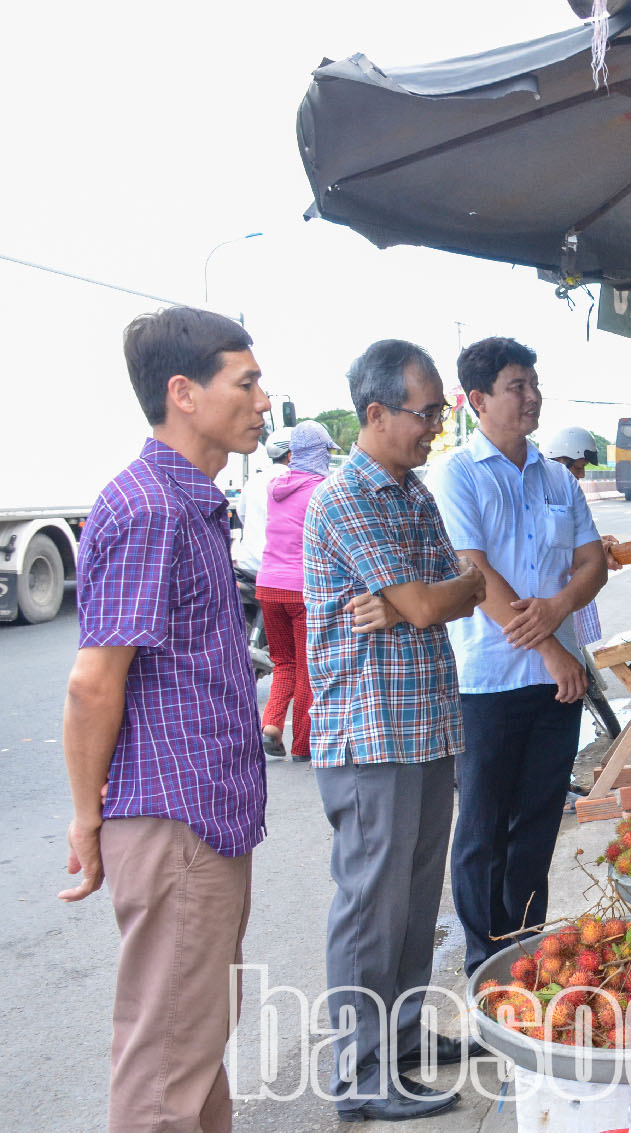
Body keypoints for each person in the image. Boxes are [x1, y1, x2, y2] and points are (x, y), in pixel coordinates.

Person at [59, 306, 270, 1133]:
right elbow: (91, 684)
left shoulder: (190, 503)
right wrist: (87, 819)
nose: (262, 400)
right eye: (246, 382)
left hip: (203, 816)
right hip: (174, 821)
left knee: (192, 1049)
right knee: (164, 1075)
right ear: (184, 393)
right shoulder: (150, 506)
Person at [303, 339, 486, 1122]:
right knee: (369, 909)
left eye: (439, 412)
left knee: (414, 903)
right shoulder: (345, 497)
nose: (435, 427)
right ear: (374, 414)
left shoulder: (410, 494)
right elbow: (425, 602)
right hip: (369, 737)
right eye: (426, 412)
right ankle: (359, 1071)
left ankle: (404, 1037)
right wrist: (427, 597)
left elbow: (466, 588)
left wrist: (435, 595)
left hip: (425, 725)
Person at [432, 340, 609, 979]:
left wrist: (559, 609)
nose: (532, 396)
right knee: (483, 828)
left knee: (536, 825)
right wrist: (555, 650)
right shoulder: (458, 473)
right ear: (477, 400)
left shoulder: (557, 475)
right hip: (489, 681)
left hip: (552, 686)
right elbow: (473, 572)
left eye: (534, 383)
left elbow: (592, 562)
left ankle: (526, 948)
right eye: (516, 386)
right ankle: (486, 963)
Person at [257, 420, 338, 761]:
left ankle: (272, 725)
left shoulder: (276, 486)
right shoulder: (323, 489)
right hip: (302, 590)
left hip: (267, 585)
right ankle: (303, 745)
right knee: (307, 667)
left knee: (284, 662)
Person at [540, 424, 624, 655]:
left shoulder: (566, 492)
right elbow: (549, 551)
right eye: (578, 467)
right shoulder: (536, 493)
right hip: (547, 610)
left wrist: (596, 544)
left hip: (568, 608)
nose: (582, 474)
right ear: (558, 460)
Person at [233, 426, 288, 575]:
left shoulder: (255, 480)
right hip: (277, 571)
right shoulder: (296, 482)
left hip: (247, 564)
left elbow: (242, 514)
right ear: (290, 455)